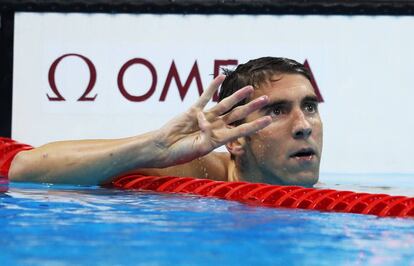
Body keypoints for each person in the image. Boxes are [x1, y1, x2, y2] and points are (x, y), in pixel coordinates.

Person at [8, 57, 323, 187]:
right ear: (235, 139)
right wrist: (153, 147)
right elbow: (25, 168)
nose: (303, 125)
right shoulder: (196, 175)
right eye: (278, 111)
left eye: (309, 107)